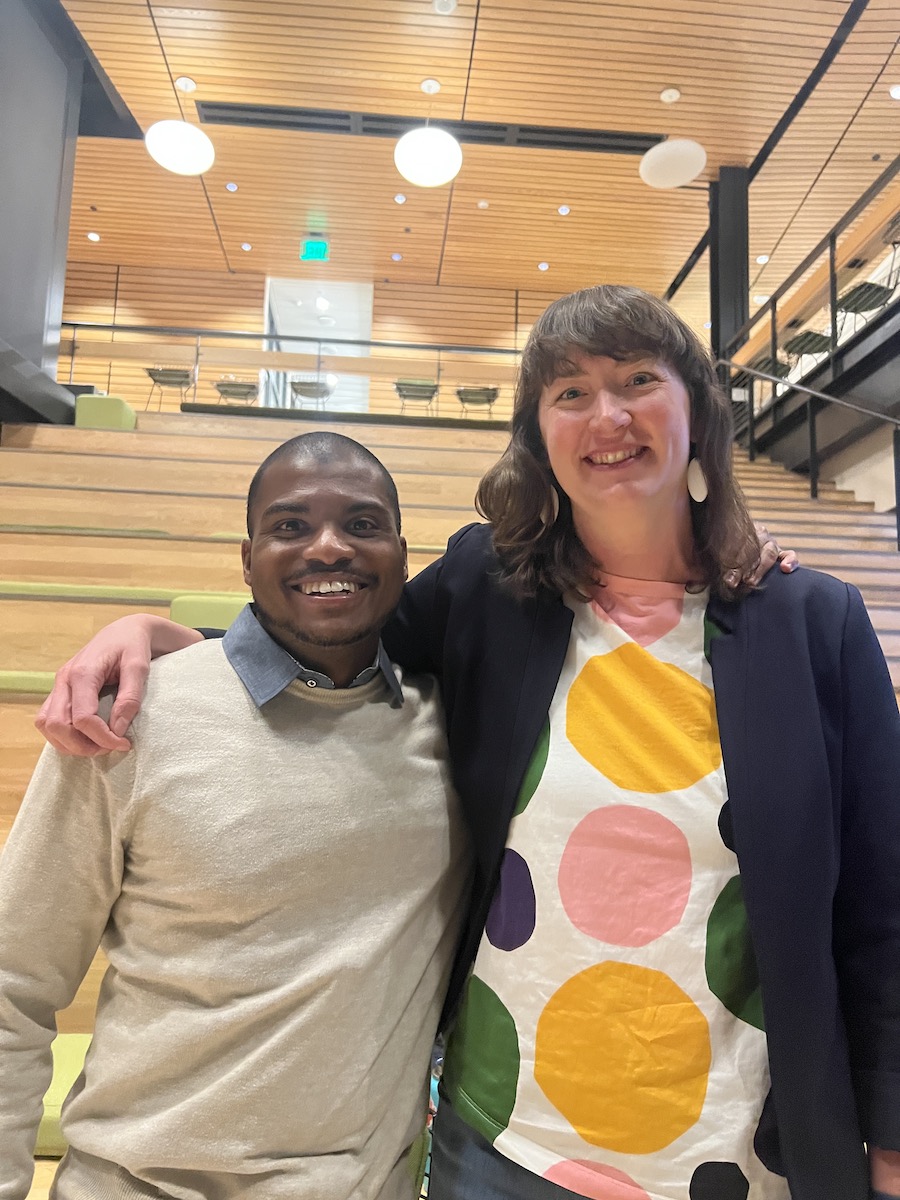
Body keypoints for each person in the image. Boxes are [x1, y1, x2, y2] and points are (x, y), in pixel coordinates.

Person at [37, 285, 894, 1200]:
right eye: (568, 392)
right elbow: (322, 643)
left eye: (638, 379)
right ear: (538, 435)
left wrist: (888, 1135)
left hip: (740, 1149)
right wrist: (155, 636)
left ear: (697, 410)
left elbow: (883, 895)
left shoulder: (813, 621)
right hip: (501, 1143)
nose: (607, 414)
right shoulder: (490, 587)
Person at [0, 433, 471, 1199]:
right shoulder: (129, 719)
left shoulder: (453, 732)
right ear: (245, 558)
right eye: (290, 527)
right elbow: (12, 981)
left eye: (361, 524)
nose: (329, 547)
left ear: (402, 554)